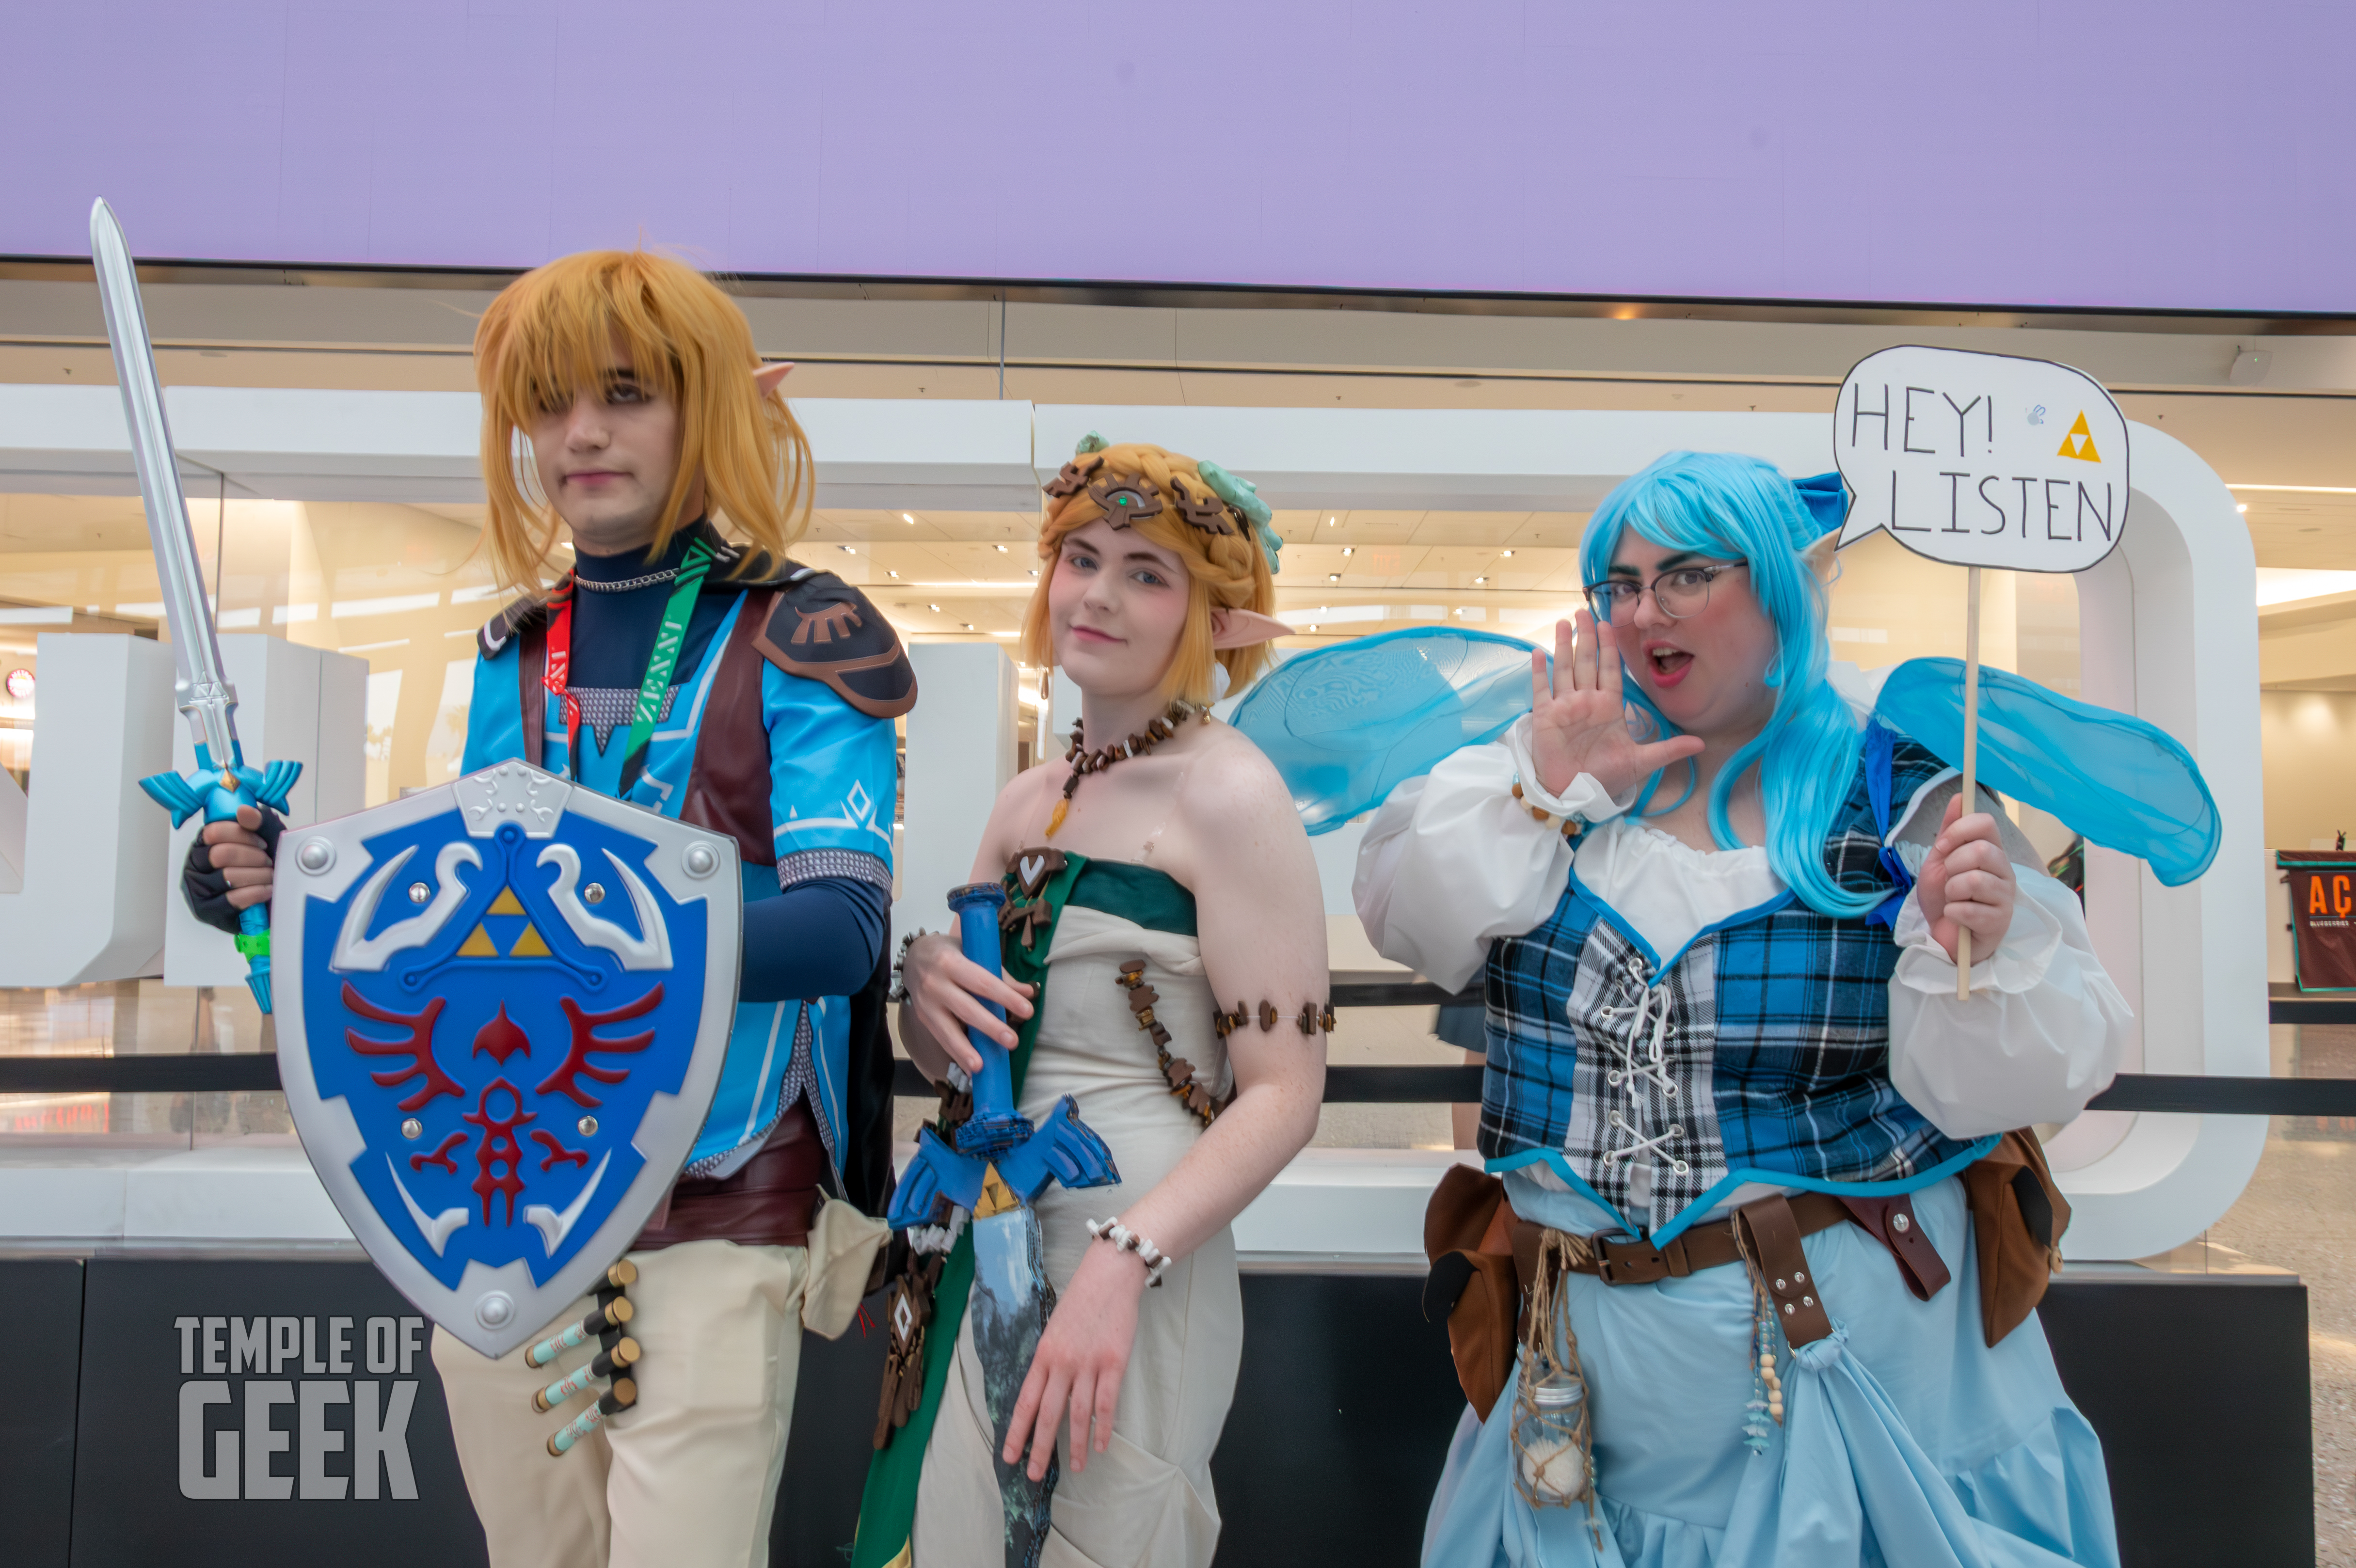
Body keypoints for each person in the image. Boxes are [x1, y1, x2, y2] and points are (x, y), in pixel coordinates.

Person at [183, 249, 912, 1568]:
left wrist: (557, 935)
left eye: (627, 393)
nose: (582, 432)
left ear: (705, 409)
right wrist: (285, 887)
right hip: (505, 1207)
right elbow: (465, 907)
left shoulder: (805, 632)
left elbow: (839, 932)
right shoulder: (519, 648)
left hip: (715, 1199)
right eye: (553, 399)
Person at [1357, 452, 2131, 1566]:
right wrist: (1544, 783)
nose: (1640, 612)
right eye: (1618, 584)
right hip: (1589, 1376)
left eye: (1683, 577)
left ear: (1773, 590)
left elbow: (1998, 1082)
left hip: (1844, 1367)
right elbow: (1412, 921)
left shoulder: (1896, 789)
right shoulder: (1552, 768)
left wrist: (1985, 941)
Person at [856, 438, 1328, 1568]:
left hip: (1139, 1255)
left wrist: (1125, 1260)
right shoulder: (1027, 799)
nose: (1100, 594)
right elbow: (958, 1061)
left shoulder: (1233, 792)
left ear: (1213, 619)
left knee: (1106, 1541)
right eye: (1082, 558)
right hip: (982, 1237)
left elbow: (1286, 1096)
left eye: (1147, 572)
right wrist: (923, 985)